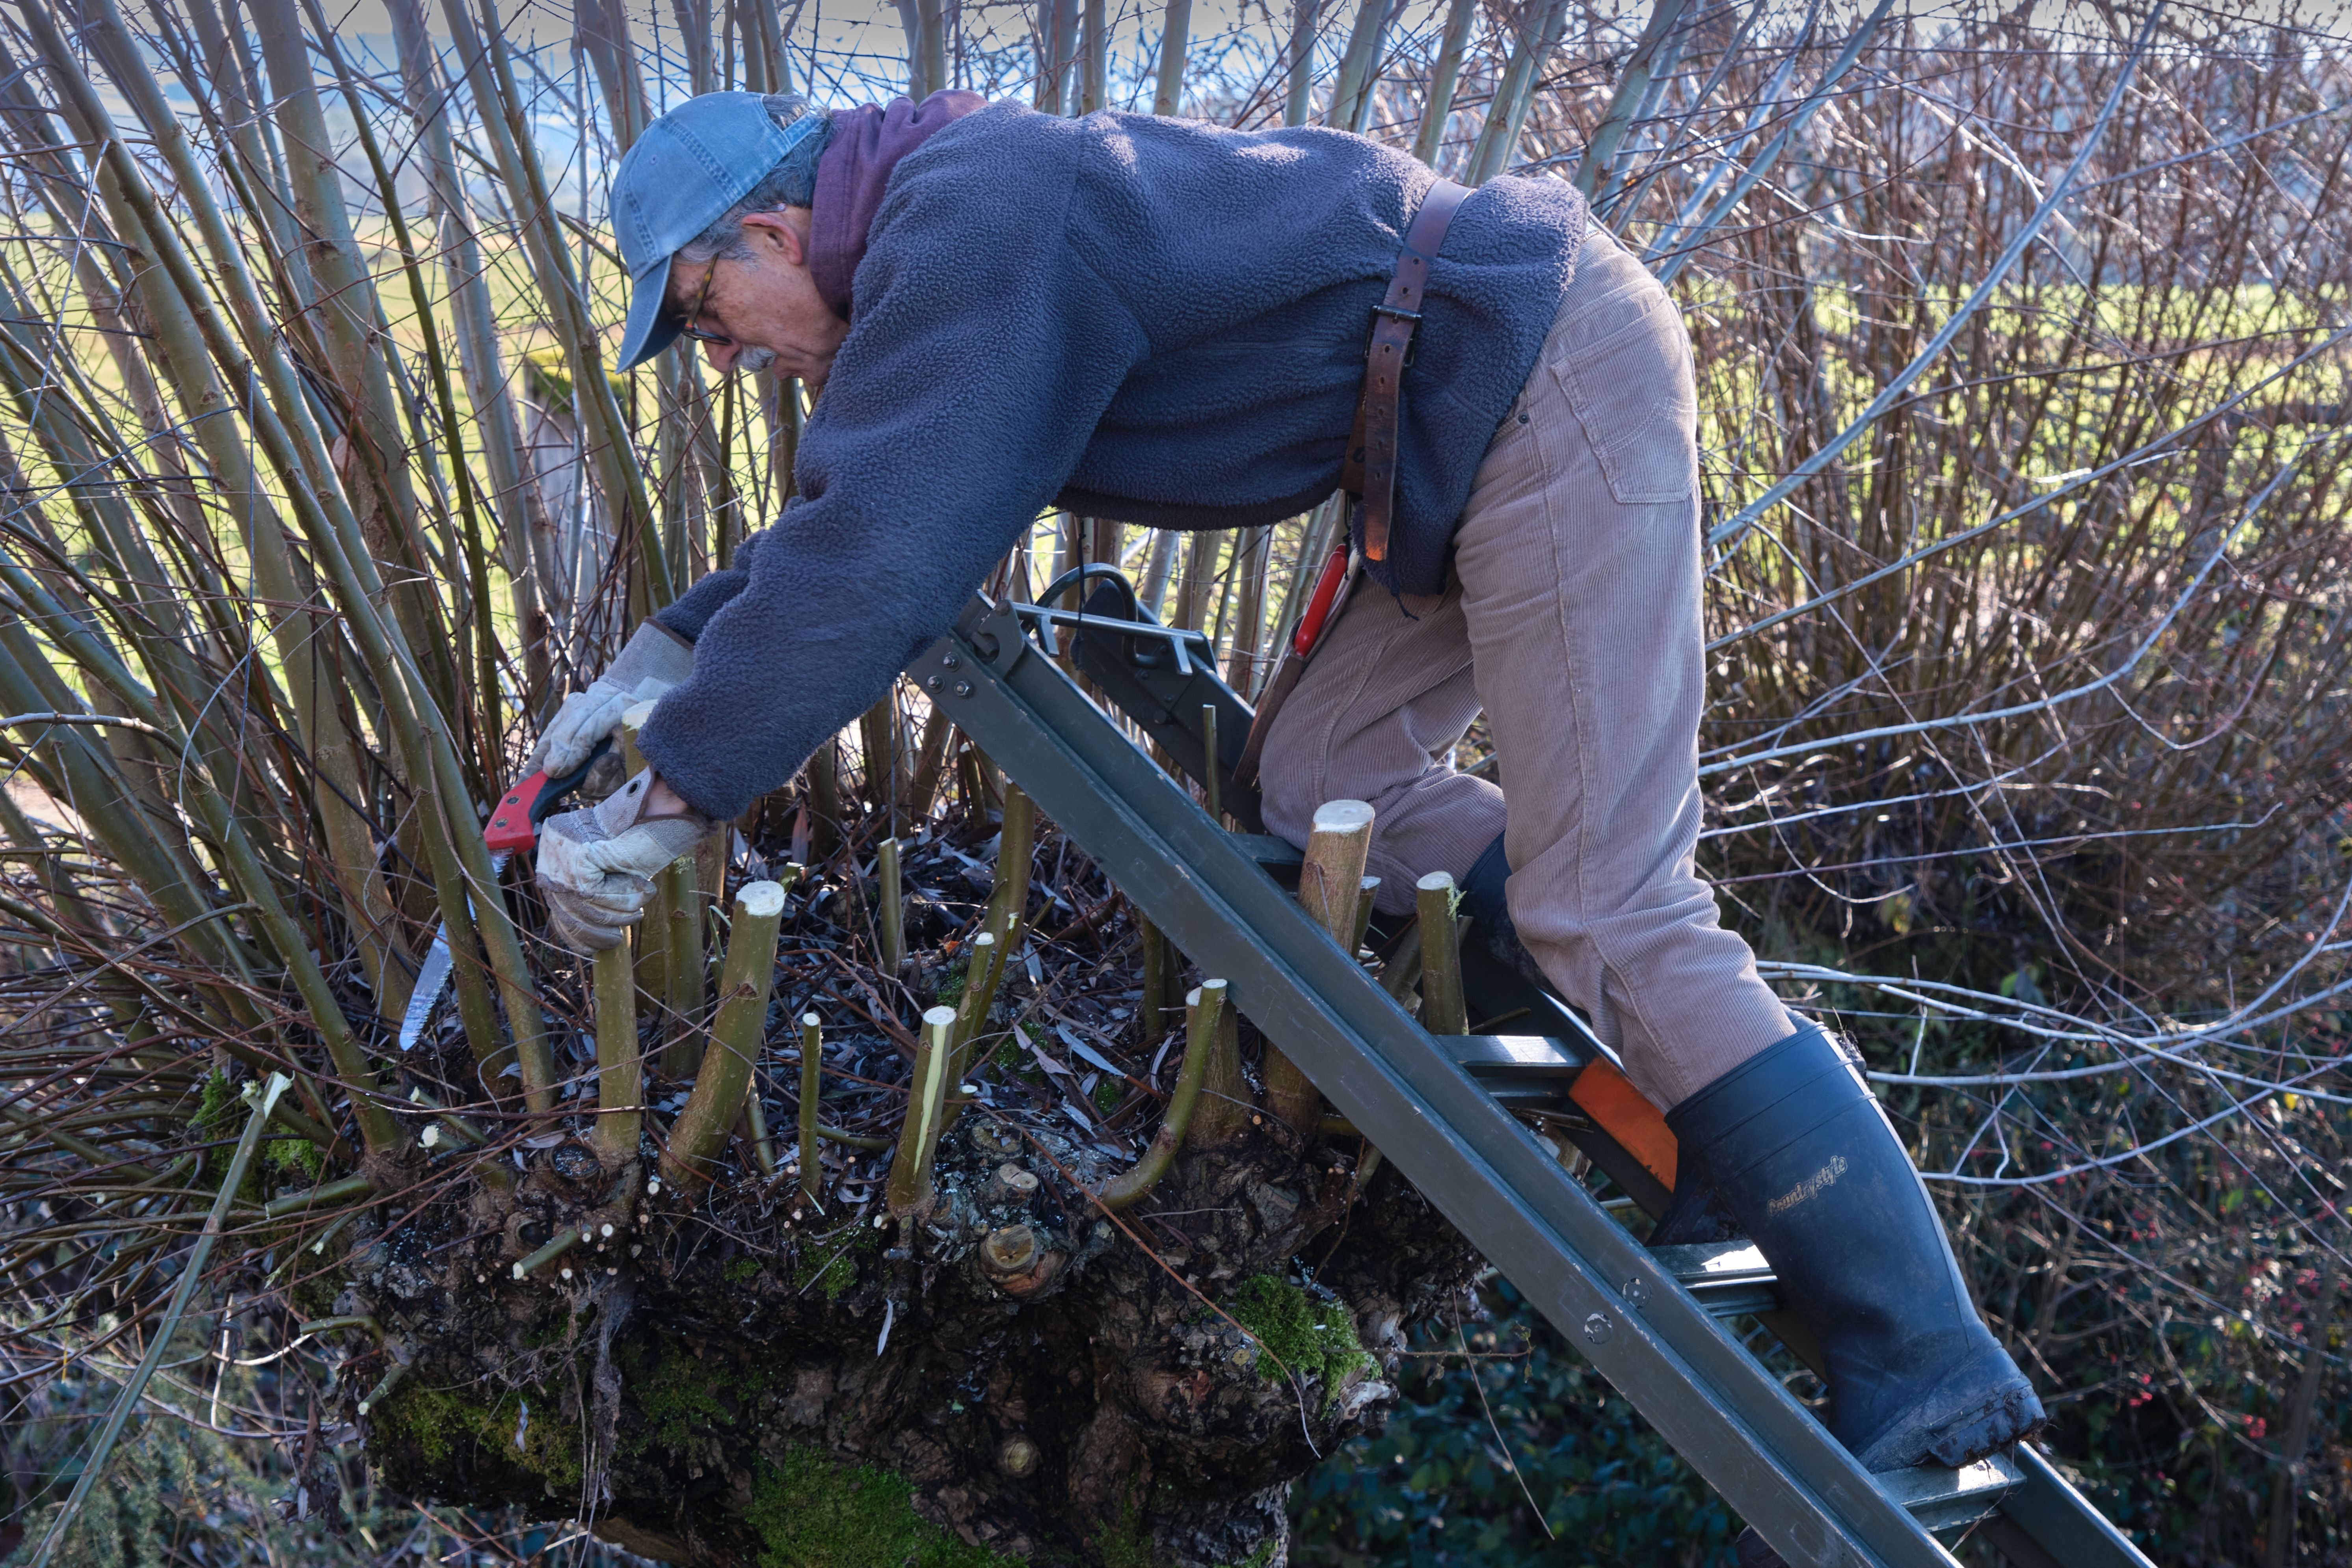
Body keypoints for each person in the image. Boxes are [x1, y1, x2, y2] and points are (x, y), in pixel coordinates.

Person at [532, 87, 2044, 1484]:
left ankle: (1924, 1351)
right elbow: (870, 509)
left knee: (1609, 903)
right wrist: (670, 657)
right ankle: (1703, 1108)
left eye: (706, 313)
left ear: (775, 231)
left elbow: (883, 554)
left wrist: (672, 801)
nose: (721, 358)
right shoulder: (943, 233)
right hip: (1450, 418)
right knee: (1329, 784)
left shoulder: (975, 216)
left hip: (1541, 378)